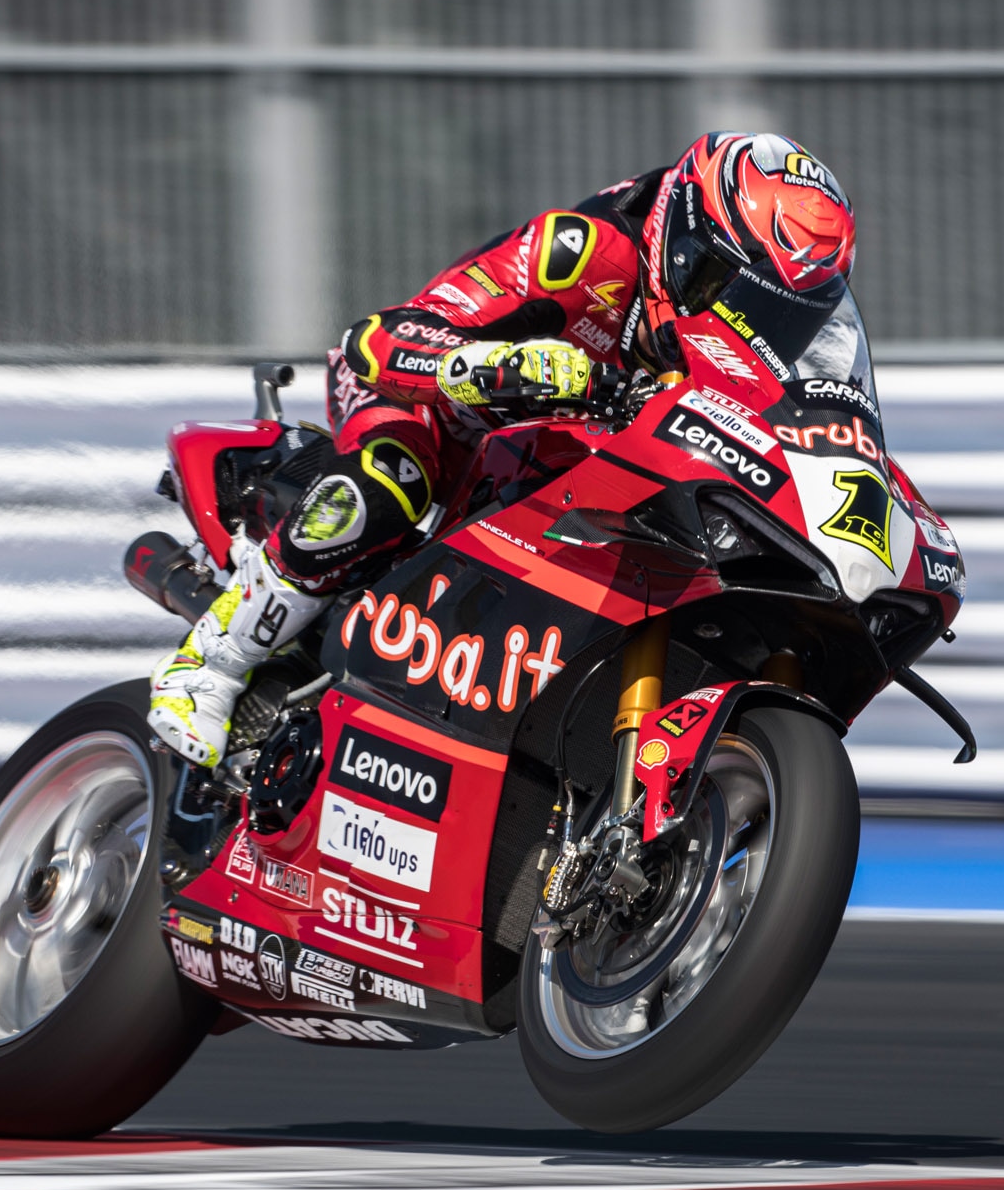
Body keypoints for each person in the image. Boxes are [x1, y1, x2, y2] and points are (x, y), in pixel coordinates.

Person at [148, 130, 859, 768]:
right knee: (393, 480)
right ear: (684, 241)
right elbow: (382, 337)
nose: (745, 324)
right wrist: (488, 366)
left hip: (591, 454)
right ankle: (211, 660)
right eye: (733, 293)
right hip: (433, 405)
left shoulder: (760, 357)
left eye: (781, 317)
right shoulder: (582, 251)